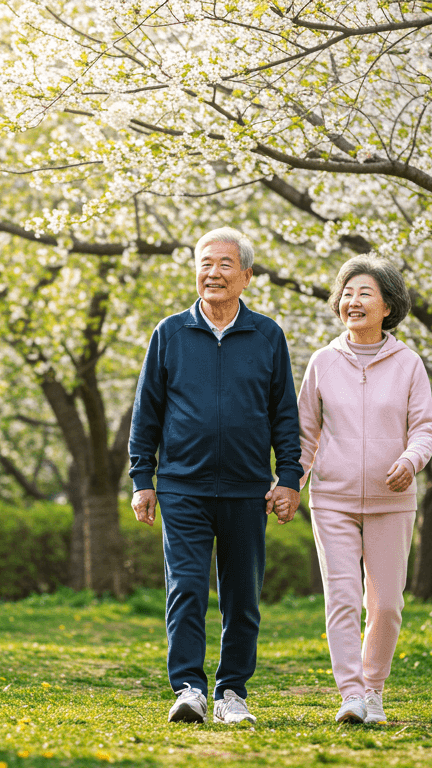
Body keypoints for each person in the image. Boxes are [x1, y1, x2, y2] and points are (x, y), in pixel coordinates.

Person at [128, 226, 303, 725]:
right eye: (206, 263)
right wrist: (144, 480)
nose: (214, 273)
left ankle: (231, 692)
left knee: (242, 597)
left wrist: (288, 477)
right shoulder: (169, 333)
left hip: (249, 489)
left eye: (226, 264)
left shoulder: (267, 335)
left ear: (246, 275)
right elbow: (147, 415)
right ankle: (188, 688)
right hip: (183, 486)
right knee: (185, 589)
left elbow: (284, 416)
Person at [297, 255, 432, 725]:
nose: (353, 302)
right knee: (341, 598)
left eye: (365, 294)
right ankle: (352, 695)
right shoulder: (321, 362)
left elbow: (424, 428)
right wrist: (289, 485)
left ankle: (374, 688)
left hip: (391, 501)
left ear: (388, 306)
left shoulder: (409, 364)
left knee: (387, 603)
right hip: (332, 499)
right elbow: (303, 435)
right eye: (347, 294)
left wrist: (409, 460)